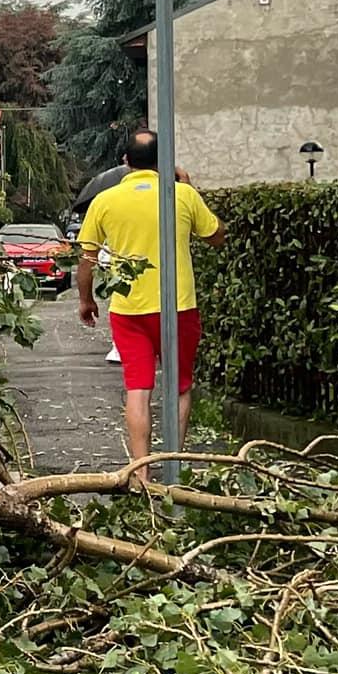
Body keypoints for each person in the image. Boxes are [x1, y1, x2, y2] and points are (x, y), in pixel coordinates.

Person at [75, 130, 226, 471]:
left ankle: (140, 472)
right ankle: (173, 465)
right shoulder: (181, 195)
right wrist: (188, 185)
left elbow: (86, 261)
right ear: (163, 162)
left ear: (126, 162)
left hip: (128, 311)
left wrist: (86, 301)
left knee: (138, 388)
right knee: (179, 387)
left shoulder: (105, 201)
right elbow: (217, 237)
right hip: (179, 308)